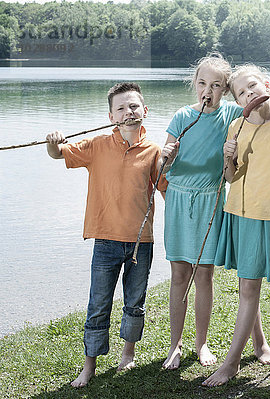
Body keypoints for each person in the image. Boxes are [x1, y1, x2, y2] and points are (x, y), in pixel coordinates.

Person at [46, 82, 177, 388]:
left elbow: (167, 191)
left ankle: (128, 354)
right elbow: (57, 154)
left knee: (135, 302)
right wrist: (53, 141)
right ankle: (89, 365)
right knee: (99, 304)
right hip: (105, 241)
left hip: (140, 243)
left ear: (144, 111)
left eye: (133, 106)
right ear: (111, 115)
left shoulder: (154, 150)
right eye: (121, 108)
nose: (128, 112)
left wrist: (170, 165)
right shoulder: (97, 145)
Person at [203, 64, 270, 387]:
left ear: (266, 83)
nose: (249, 93)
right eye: (241, 92)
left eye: (252, 85)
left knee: (249, 287)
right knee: (247, 287)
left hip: (265, 214)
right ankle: (259, 345)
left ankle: (231, 363)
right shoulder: (236, 127)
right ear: (237, 101)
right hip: (238, 213)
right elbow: (229, 176)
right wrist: (228, 157)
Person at [160, 53, 243, 370]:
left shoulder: (233, 116)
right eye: (202, 83)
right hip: (181, 202)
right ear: (194, 84)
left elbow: (265, 108)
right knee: (180, 275)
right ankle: (175, 345)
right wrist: (166, 155)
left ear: (226, 89)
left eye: (216, 85)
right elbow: (163, 169)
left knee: (204, 275)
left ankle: (202, 343)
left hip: (212, 201)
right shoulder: (182, 116)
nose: (207, 91)